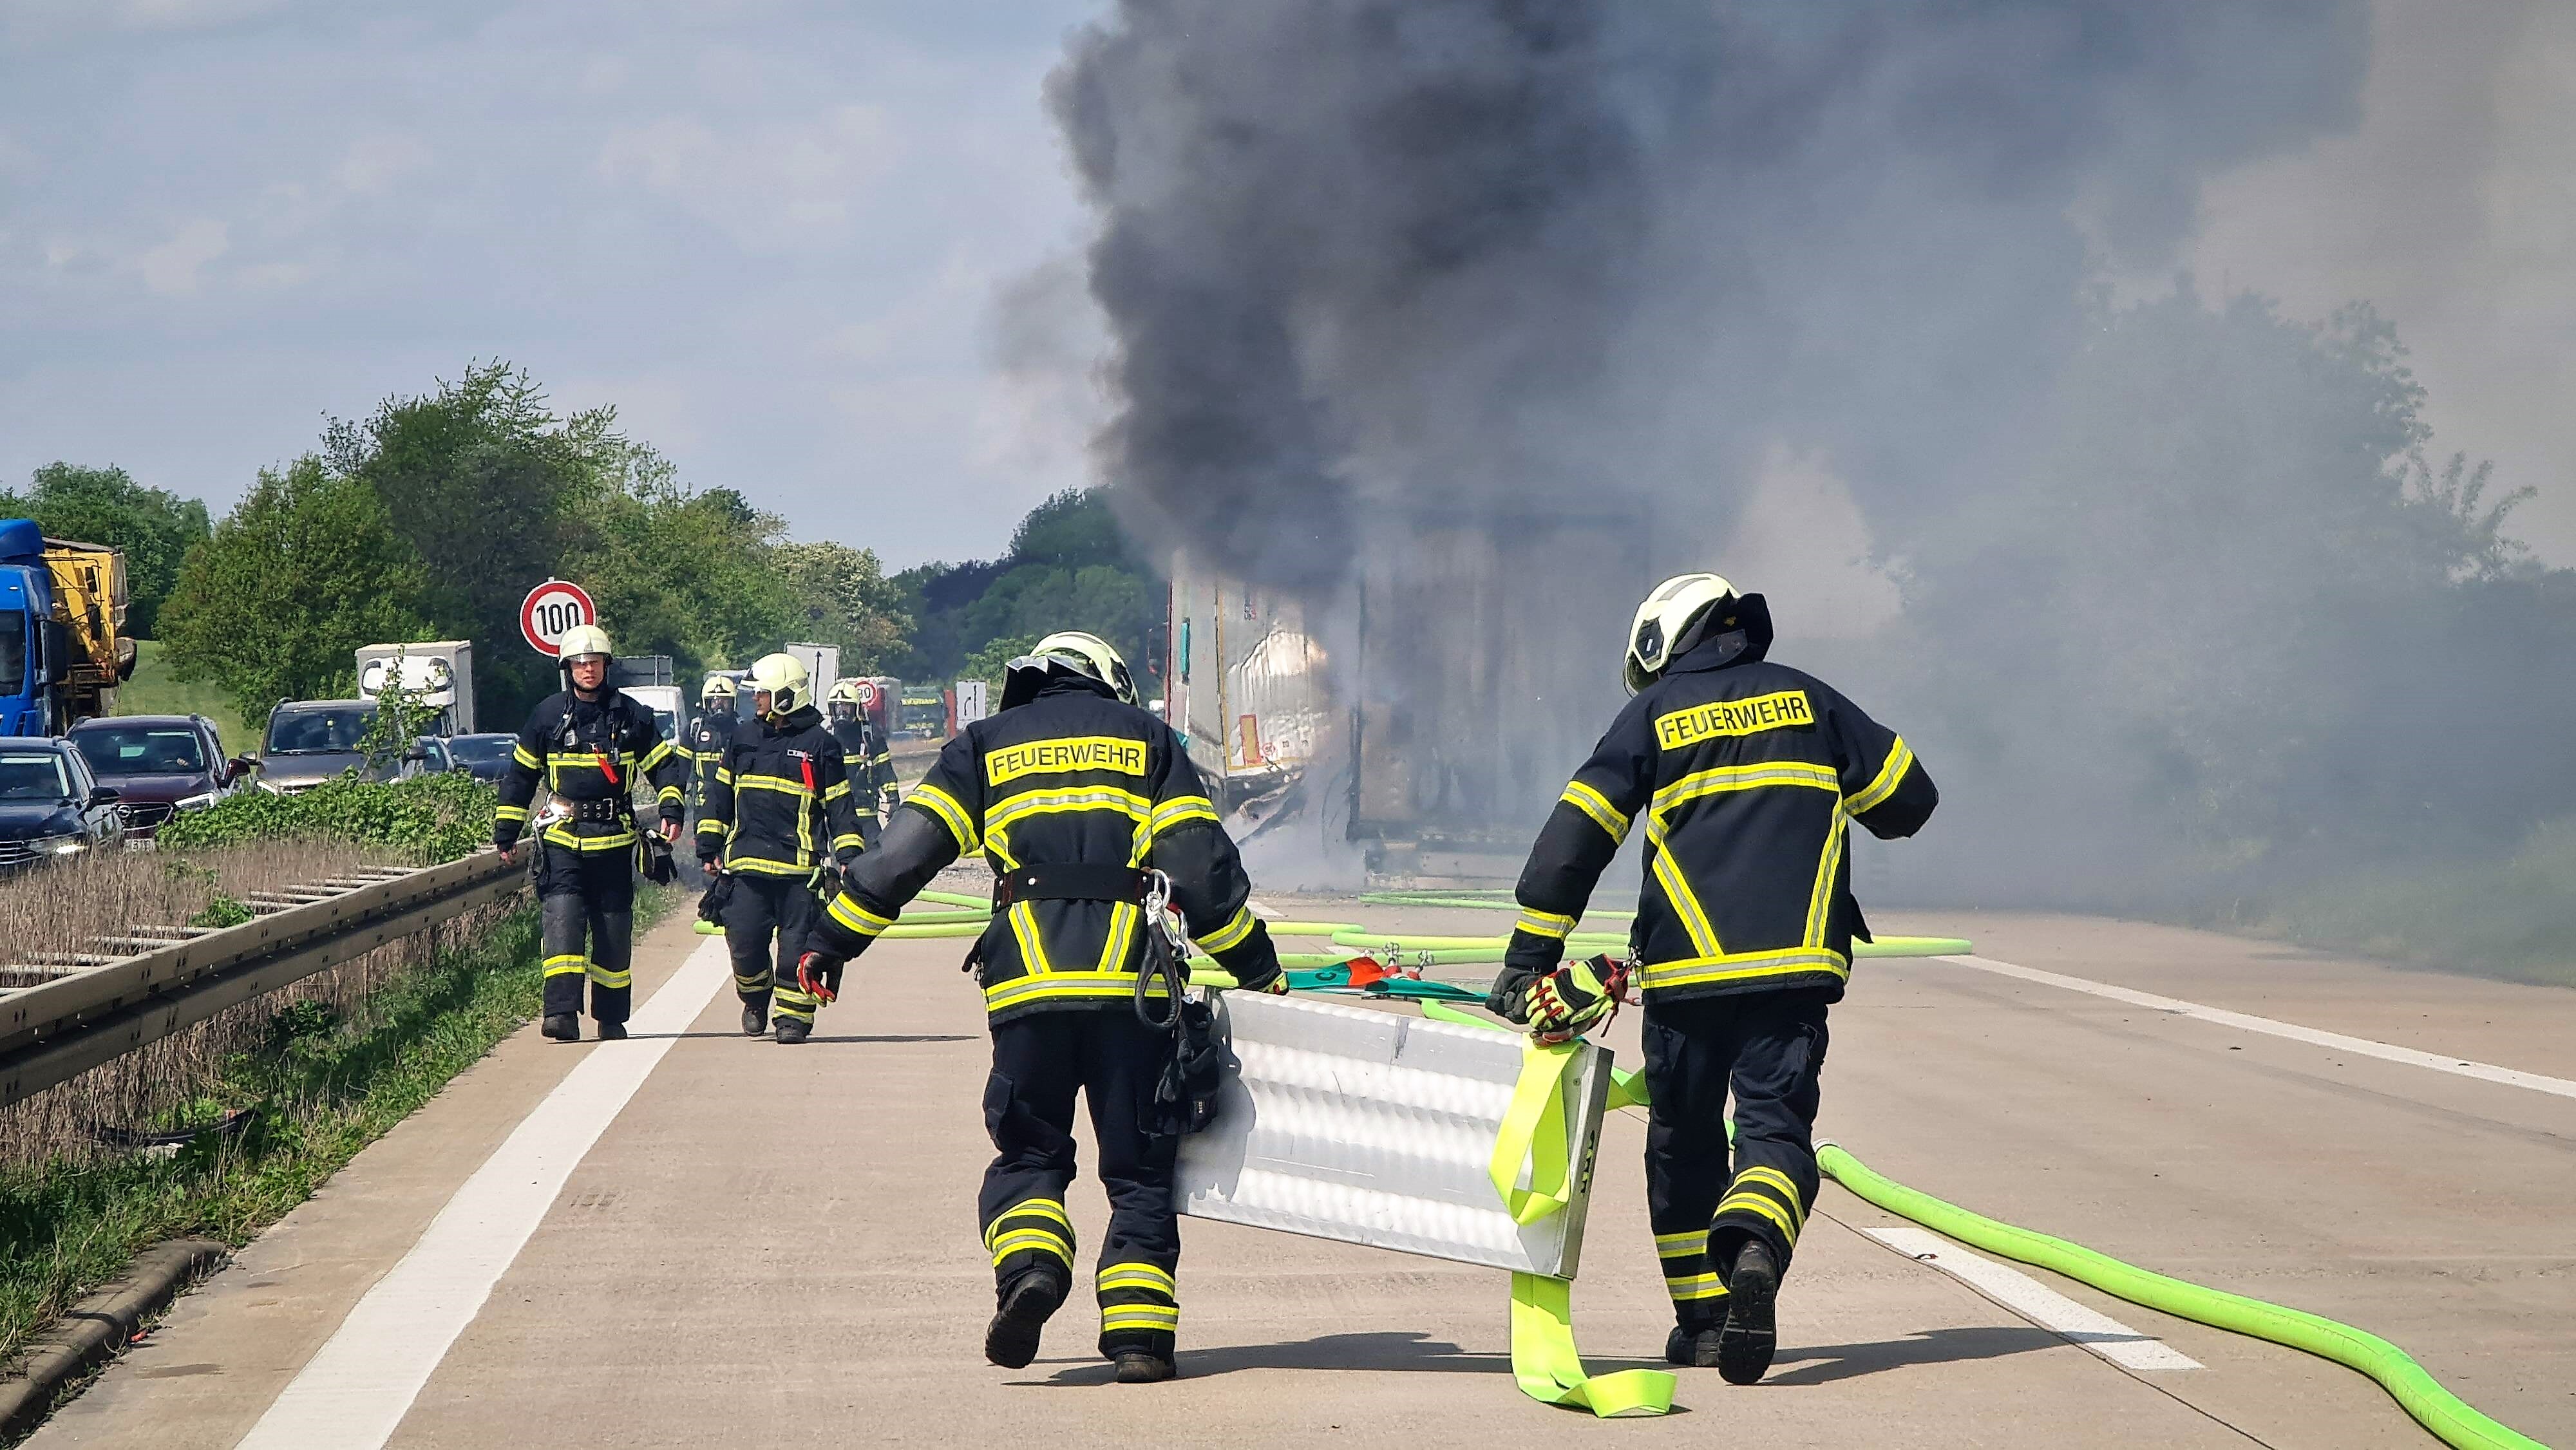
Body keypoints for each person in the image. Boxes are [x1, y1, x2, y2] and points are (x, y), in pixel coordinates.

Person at [795, 630, 1287, 1385]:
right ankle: (1139, 1340)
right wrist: (1258, 966)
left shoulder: (983, 744)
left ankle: (1033, 1267)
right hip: (1133, 989)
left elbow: (903, 855)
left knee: (1029, 1152)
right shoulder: (1145, 737)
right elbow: (1197, 865)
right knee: (1139, 1171)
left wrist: (831, 940)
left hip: (1026, 981)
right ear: (1106, 680)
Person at [1487, 574, 1938, 1386]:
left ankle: (1703, 1321)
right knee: (1772, 1129)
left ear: (1661, 644)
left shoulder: (1653, 715)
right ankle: (1757, 1246)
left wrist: (1529, 959)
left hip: (1685, 974)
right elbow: (1909, 800)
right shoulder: (1809, 700)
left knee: (1682, 1139)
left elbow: (1574, 840)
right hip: (1795, 970)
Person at [495, 625, 690, 1042]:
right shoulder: (547, 716)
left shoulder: (632, 715)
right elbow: (520, 778)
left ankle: (612, 1016)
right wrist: (506, 831)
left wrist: (672, 806)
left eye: (595, 662)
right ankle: (561, 1014)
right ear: (568, 668)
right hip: (562, 841)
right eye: (581, 663)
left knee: (613, 933)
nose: (588, 669)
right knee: (562, 924)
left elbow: (664, 765)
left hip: (615, 844)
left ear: (606, 666)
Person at [696, 652, 867, 1044]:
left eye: (763, 694)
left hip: (798, 874)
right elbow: (719, 796)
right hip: (747, 871)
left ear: (787, 697)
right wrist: (708, 845)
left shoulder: (821, 745)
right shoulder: (742, 739)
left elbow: (840, 807)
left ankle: (793, 1019)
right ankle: (755, 1000)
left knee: (797, 952)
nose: (756, 700)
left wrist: (850, 861)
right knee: (744, 945)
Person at [821, 678, 888, 849]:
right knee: (843, 857)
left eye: (846, 708)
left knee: (875, 854)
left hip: (866, 812)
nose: (842, 713)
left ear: (856, 709)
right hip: (838, 813)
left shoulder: (870, 735)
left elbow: (884, 769)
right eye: (837, 708)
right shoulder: (825, 738)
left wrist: (894, 800)